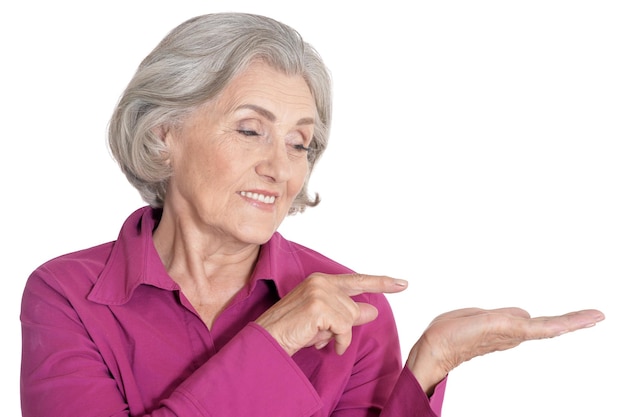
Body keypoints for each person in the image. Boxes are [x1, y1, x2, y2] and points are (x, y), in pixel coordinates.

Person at [19, 12, 604, 417]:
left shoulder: (354, 309)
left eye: (300, 143)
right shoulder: (66, 295)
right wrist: (272, 342)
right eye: (251, 130)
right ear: (163, 131)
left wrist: (428, 365)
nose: (281, 168)